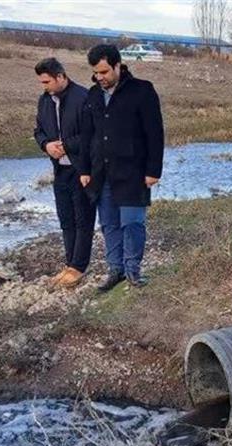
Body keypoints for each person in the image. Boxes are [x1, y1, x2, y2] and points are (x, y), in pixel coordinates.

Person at [79, 44, 165, 291]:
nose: (100, 77)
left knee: (132, 223)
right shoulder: (93, 95)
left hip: (133, 173)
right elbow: (87, 135)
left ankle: (133, 271)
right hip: (101, 173)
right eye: (96, 72)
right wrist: (85, 170)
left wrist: (153, 171)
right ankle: (115, 270)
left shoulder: (142, 91)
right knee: (109, 224)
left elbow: (155, 134)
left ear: (118, 66)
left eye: (104, 72)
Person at [33, 57, 96, 288]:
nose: (44, 86)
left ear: (61, 76)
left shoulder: (84, 97)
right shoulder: (45, 101)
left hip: (83, 170)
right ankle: (70, 264)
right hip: (59, 170)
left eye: (47, 81)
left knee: (83, 220)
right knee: (66, 219)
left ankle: (79, 268)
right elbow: (39, 130)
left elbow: (94, 135)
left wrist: (66, 145)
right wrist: (46, 146)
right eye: (42, 82)